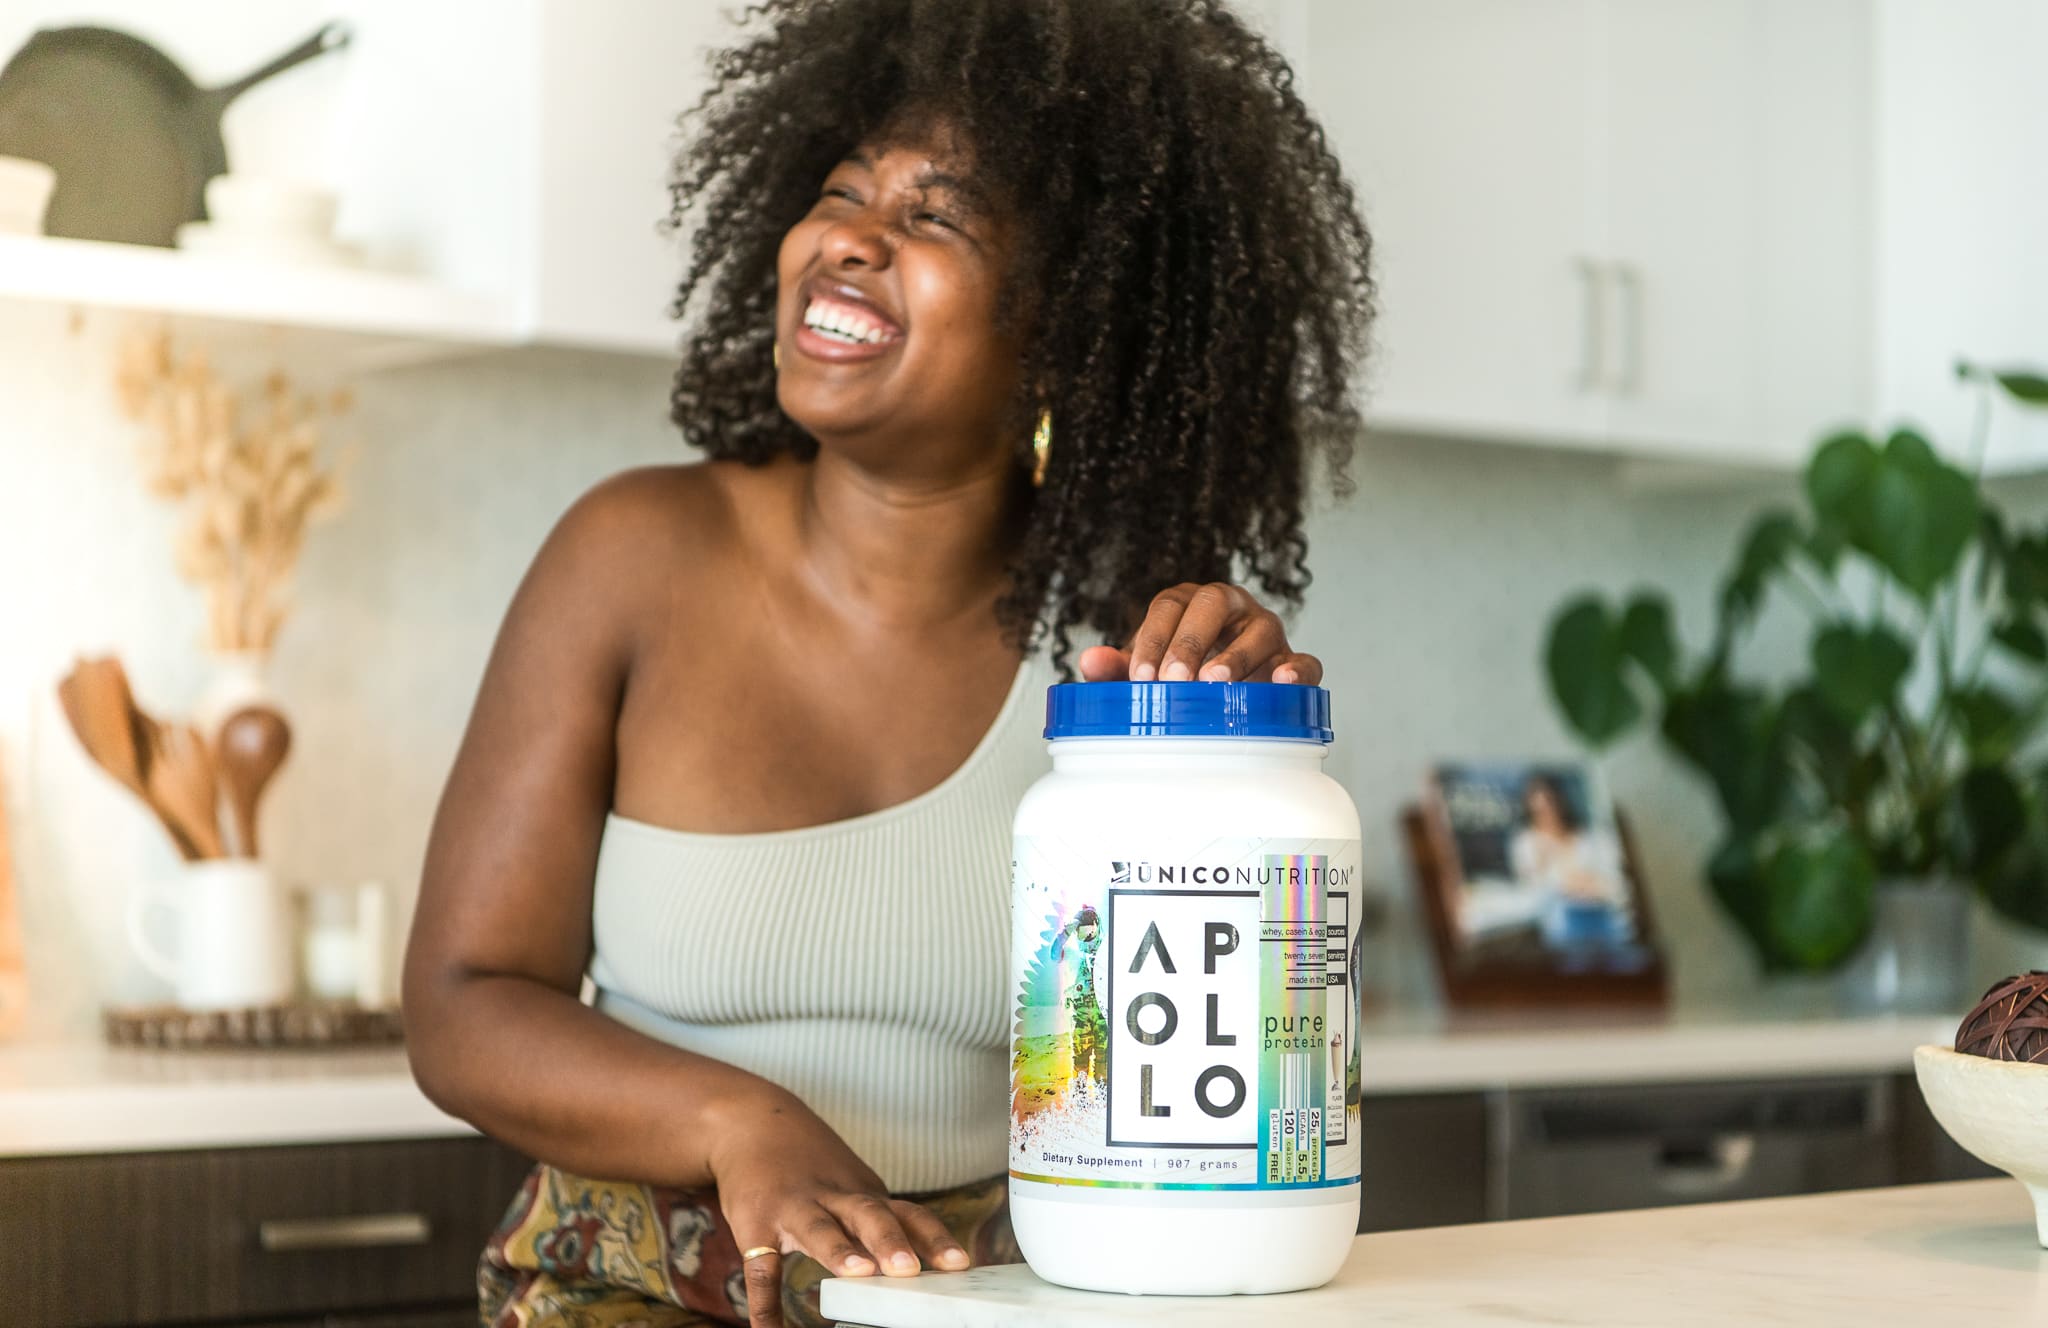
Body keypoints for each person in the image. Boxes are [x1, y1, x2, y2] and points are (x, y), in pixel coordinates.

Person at [400, 2, 1373, 1324]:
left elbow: (1221, 1076)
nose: (848, 237)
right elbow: (464, 1006)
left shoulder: (1121, 663)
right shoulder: (630, 554)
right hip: (633, 1284)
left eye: (937, 218)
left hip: (996, 1296)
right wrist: (739, 1123)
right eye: (840, 192)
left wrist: (1238, 765)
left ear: (1073, 327)